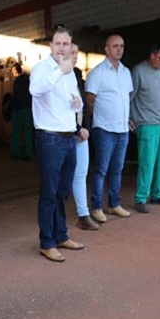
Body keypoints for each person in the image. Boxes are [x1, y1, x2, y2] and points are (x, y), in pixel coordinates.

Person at [29, 25, 84, 262]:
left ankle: (61, 235)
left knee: (62, 191)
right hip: (50, 138)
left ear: (71, 46)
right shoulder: (42, 69)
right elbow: (35, 89)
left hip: (69, 136)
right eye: (58, 43)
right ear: (50, 46)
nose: (61, 48)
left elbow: (75, 100)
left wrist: (77, 103)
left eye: (66, 44)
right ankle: (47, 242)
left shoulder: (70, 72)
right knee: (49, 193)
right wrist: (59, 71)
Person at [84, 34, 133, 223]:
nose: (119, 49)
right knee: (101, 169)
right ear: (106, 49)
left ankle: (114, 204)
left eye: (122, 46)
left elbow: (125, 99)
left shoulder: (126, 72)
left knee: (117, 169)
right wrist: (97, 120)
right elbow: (90, 100)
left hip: (122, 129)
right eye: (115, 46)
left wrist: (127, 119)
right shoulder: (97, 73)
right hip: (104, 128)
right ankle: (96, 207)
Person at [130, 41, 160, 213]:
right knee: (147, 163)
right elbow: (129, 96)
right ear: (152, 55)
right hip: (146, 123)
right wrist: (128, 118)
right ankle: (141, 198)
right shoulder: (138, 71)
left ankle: (158, 193)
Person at [70, 44, 97, 231]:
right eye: (71, 53)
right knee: (62, 177)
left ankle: (83, 215)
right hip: (63, 135)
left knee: (81, 175)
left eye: (76, 53)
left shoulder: (76, 75)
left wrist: (85, 127)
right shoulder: (54, 77)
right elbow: (59, 109)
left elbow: (84, 106)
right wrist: (78, 129)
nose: (75, 56)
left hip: (81, 134)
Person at [10, 63, 33, 160]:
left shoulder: (17, 81)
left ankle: (16, 153)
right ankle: (28, 153)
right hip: (28, 109)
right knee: (28, 132)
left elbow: (15, 96)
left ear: (15, 71)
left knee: (16, 133)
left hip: (18, 110)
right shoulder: (28, 79)